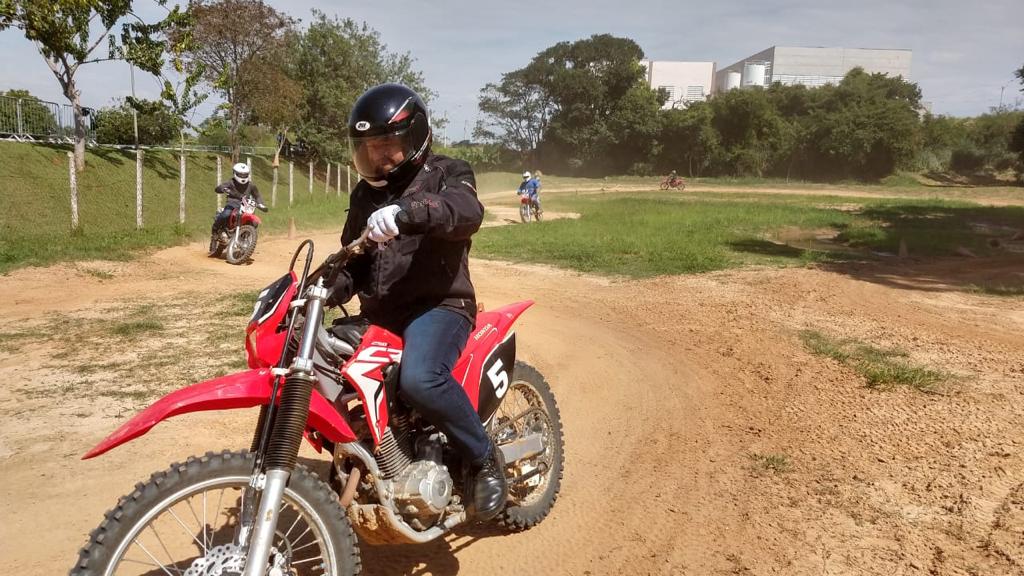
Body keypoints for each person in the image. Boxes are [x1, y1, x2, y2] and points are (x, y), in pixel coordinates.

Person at [325, 83, 507, 521]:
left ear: (415, 138)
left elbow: (466, 211)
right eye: (369, 149)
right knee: (322, 364)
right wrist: (322, 288)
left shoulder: (448, 173)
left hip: (439, 306)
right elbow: (356, 260)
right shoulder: (364, 195)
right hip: (382, 314)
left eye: (387, 146)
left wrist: (408, 213)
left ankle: (484, 459)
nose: (378, 157)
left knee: (421, 379)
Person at [212, 163, 268, 238]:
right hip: (232, 204)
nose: (243, 177)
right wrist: (223, 189)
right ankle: (215, 231)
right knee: (226, 214)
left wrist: (261, 204)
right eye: (240, 175)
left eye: (245, 175)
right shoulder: (230, 182)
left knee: (254, 222)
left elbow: (257, 195)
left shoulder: (251, 185)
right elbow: (218, 188)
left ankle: (245, 238)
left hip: (246, 206)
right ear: (234, 173)